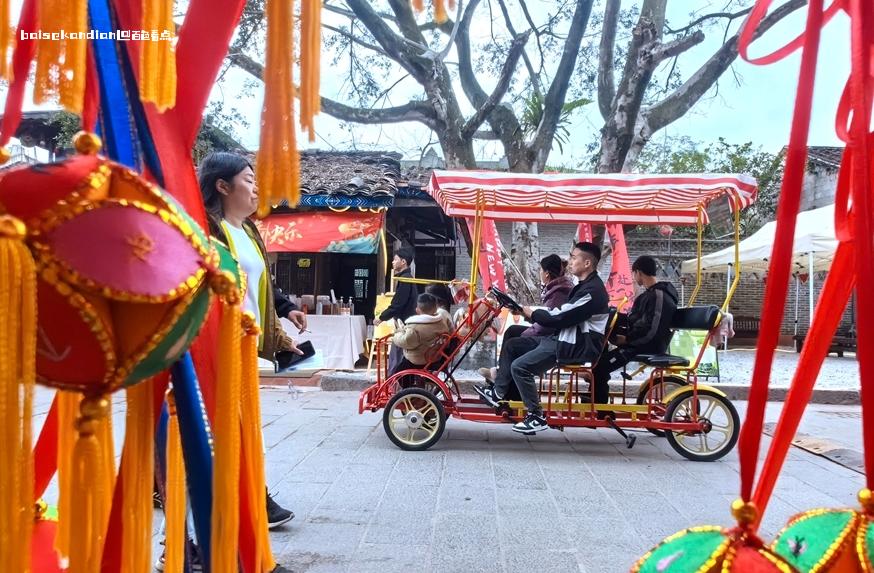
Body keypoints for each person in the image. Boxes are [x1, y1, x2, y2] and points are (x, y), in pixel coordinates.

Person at [197, 152, 297, 569]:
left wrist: (283, 314)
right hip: (211, 351)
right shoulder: (207, 229)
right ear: (222, 186)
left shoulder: (248, 229)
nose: (256, 188)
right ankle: (194, 543)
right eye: (248, 180)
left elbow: (261, 285)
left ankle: (237, 530)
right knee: (215, 443)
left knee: (239, 441)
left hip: (244, 351)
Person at [474, 242, 609, 434]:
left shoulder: (592, 292)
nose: (570, 261)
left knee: (520, 367)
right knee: (513, 345)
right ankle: (498, 392)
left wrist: (530, 312)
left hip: (574, 345)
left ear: (587, 263)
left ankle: (536, 415)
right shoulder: (584, 286)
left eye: (574, 257)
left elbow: (560, 316)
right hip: (563, 337)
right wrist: (525, 312)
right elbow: (561, 315)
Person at [477, 254, 573, 400]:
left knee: (512, 345)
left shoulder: (559, 292)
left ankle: (500, 389)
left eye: (540, 270)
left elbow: (549, 323)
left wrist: (529, 328)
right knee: (512, 331)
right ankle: (505, 377)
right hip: (549, 333)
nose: (540, 274)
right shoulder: (557, 288)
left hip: (552, 338)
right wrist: (523, 313)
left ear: (546, 273)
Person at [592, 255, 678, 400]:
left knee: (600, 367)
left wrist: (626, 340)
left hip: (647, 346)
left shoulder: (658, 295)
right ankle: (596, 404)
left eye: (633, 274)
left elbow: (652, 330)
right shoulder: (650, 295)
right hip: (638, 343)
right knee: (600, 360)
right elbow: (637, 321)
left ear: (638, 272)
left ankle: (600, 410)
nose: (633, 278)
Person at [374, 246, 418, 372]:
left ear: (403, 262)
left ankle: (395, 386)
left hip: (404, 326)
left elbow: (398, 304)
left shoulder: (405, 279)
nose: (393, 262)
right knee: (396, 357)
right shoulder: (406, 278)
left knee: (397, 360)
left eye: (395, 259)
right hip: (404, 325)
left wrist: (381, 318)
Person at [390, 293, 453, 375]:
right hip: (435, 356)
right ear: (436, 308)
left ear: (417, 310)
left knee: (398, 370)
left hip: (418, 360)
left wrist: (396, 334)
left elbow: (405, 341)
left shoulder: (414, 328)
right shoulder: (442, 322)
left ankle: (407, 387)